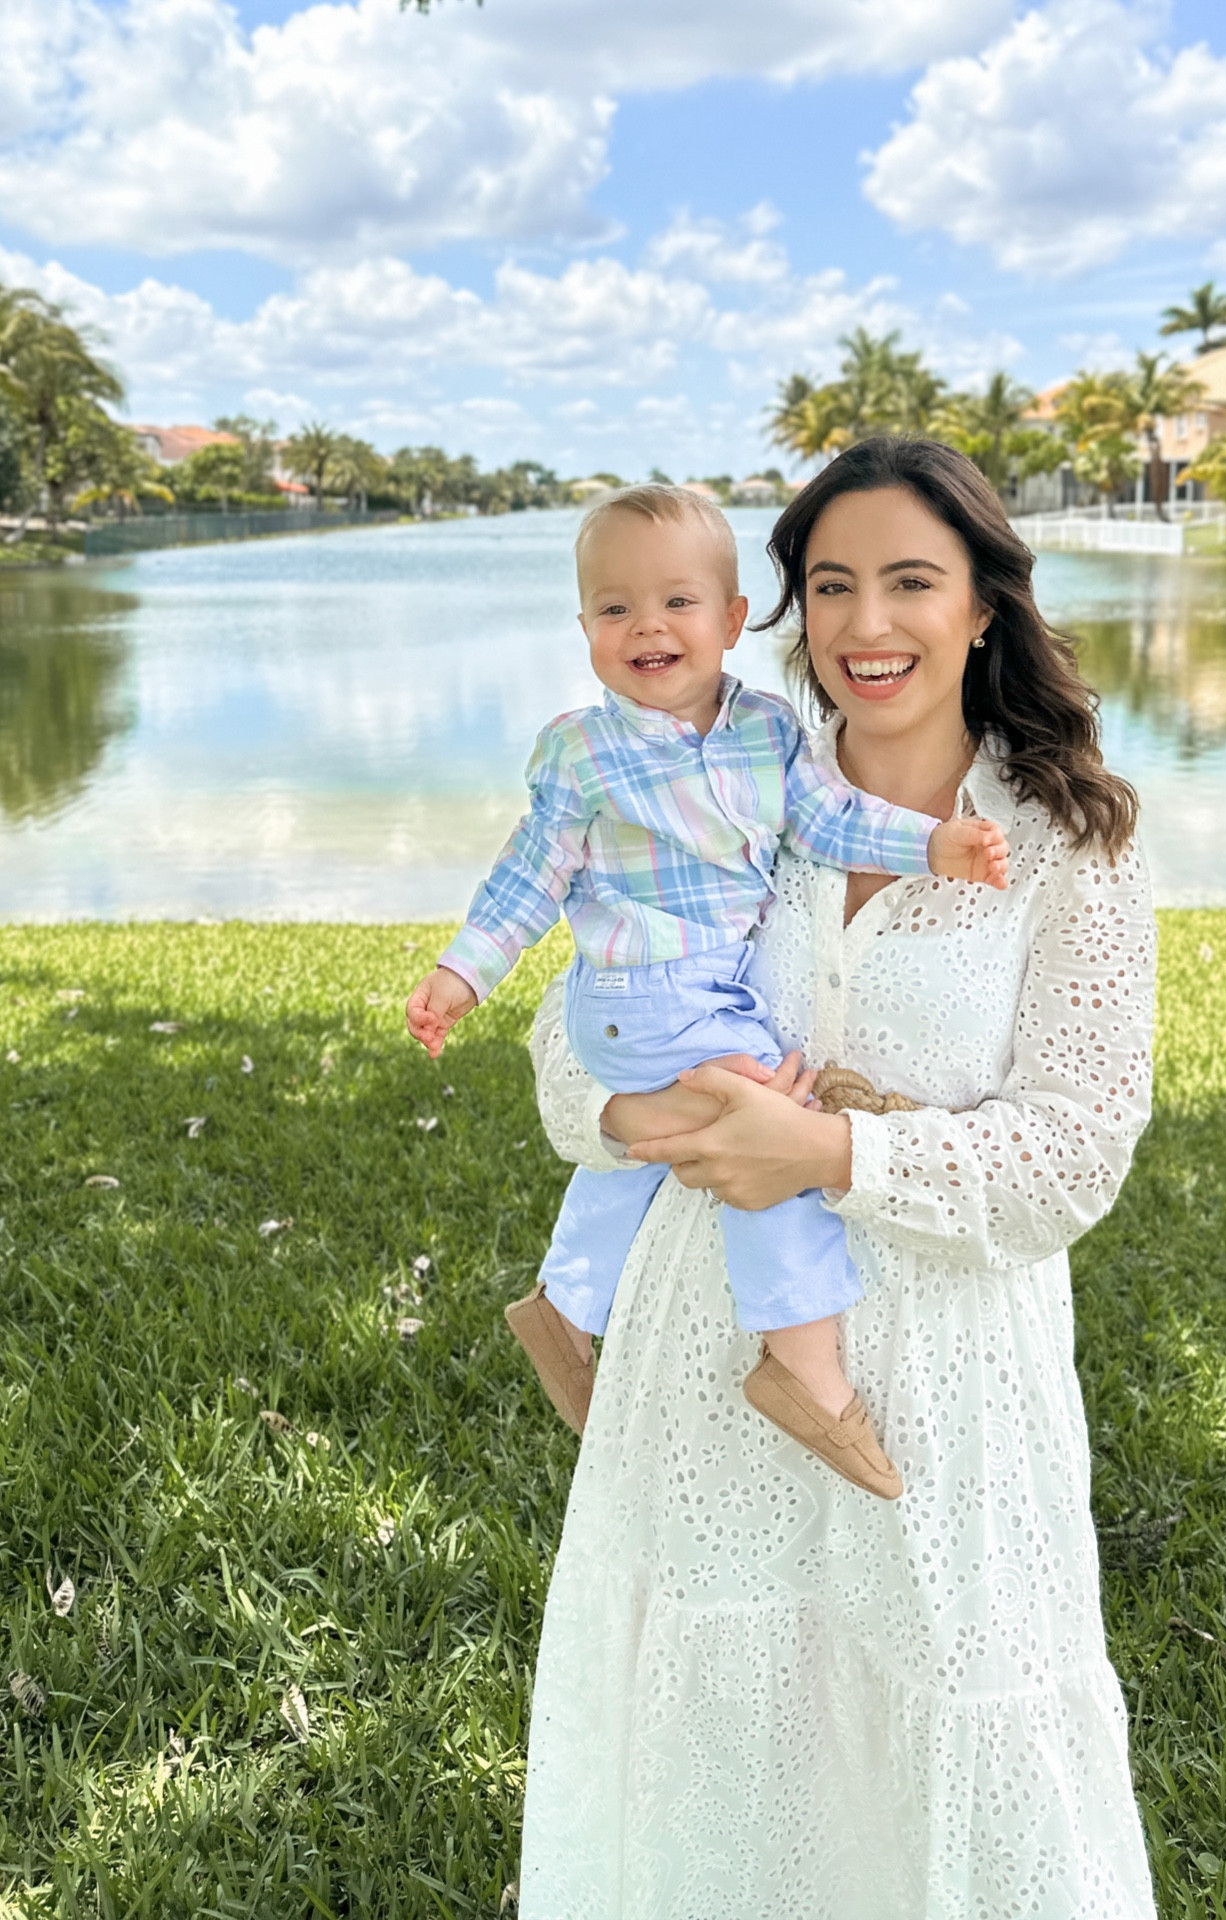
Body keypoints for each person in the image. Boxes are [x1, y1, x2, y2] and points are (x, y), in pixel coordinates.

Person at [515, 439, 1160, 1918]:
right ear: (785, 609)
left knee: (947, 1727)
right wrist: (651, 1115)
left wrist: (834, 1151)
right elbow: (569, 1051)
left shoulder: (1074, 839)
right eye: (833, 585)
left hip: (946, 1382)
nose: (870, 626)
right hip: (708, 1350)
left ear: (986, 604)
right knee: (721, 1729)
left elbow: (1075, 1151)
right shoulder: (721, 778)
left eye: (913, 582)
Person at [406, 484, 1010, 1498]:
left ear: (733, 621)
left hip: (704, 992)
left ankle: (566, 1302)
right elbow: (527, 876)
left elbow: (834, 822)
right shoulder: (583, 752)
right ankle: (807, 1369)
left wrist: (934, 844)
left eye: (679, 603)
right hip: (638, 991)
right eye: (614, 608)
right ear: (587, 628)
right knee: (763, 1127)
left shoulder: (767, 734)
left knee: (693, 1138)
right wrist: (462, 973)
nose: (647, 626)